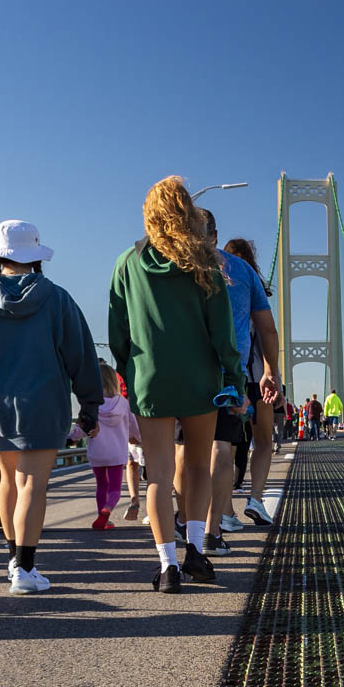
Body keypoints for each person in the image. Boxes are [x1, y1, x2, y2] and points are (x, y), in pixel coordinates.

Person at [0, 219, 102, 595]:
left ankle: (13, 560)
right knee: (32, 482)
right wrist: (90, 403)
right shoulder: (58, 298)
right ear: (37, 258)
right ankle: (26, 567)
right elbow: (80, 355)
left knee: (8, 480)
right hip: (44, 403)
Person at [109, 179, 244, 593]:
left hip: (150, 380)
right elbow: (222, 331)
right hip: (200, 378)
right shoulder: (205, 263)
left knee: (159, 474)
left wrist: (127, 371)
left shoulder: (127, 262)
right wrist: (234, 379)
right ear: (187, 212)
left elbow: (118, 329)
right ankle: (196, 552)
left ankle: (167, 566)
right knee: (199, 466)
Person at [205, 236, 280, 552]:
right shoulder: (253, 286)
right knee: (262, 441)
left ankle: (223, 514)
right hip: (255, 378)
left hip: (223, 375)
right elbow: (267, 335)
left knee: (222, 445)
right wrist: (272, 373)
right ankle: (257, 499)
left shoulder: (212, 280)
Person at [81, 363, 136, 530]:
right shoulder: (124, 404)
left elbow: (81, 427)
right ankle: (107, 510)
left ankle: (102, 516)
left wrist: (71, 437)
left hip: (97, 453)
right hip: (116, 454)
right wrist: (138, 438)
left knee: (101, 486)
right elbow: (133, 426)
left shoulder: (91, 405)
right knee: (114, 489)